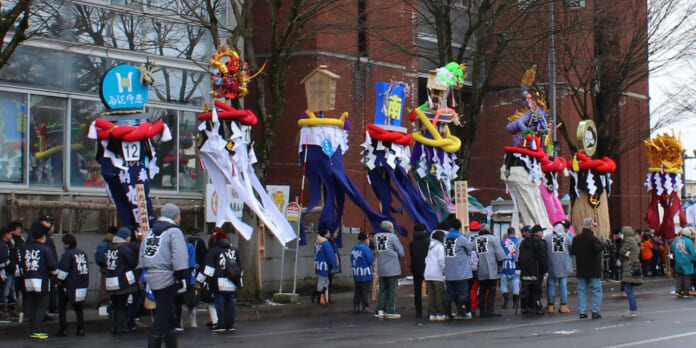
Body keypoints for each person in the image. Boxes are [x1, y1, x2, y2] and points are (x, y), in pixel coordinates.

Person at [139, 203, 189, 348]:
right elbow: (179, 255)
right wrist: (181, 276)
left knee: (169, 314)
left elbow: (142, 253)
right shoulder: (174, 232)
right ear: (175, 216)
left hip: (151, 275)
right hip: (167, 276)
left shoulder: (151, 232)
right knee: (163, 315)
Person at [198, 229, 241, 333]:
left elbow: (209, 268)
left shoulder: (215, 251)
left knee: (220, 303)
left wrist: (200, 279)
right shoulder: (234, 250)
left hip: (219, 282)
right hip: (232, 281)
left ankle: (221, 324)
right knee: (230, 302)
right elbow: (239, 267)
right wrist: (239, 282)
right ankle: (230, 324)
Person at [21, 220, 58, 339]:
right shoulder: (45, 249)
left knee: (31, 305)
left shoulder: (25, 248)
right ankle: (36, 330)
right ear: (43, 237)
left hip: (27, 279)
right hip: (42, 279)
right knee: (42, 306)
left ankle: (32, 329)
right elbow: (52, 265)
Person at [105, 227, 139, 334]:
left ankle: (113, 327)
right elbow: (133, 262)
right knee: (121, 304)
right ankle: (120, 327)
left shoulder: (110, 247)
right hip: (122, 280)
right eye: (129, 237)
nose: (129, 239)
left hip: (111, 279)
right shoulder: (124, 249)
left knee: (114, 304)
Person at [55, 234, 89, 336]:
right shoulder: (82, 253)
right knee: (78, 307)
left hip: (69, 284)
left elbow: (63, 271)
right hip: (81, 283)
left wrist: (58, 281)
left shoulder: (67, 254)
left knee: (62, 307)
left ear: (67, 244)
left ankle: (63, 329)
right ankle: (81, 328)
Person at [570, 217, 604, 319]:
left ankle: (582, 312)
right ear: (590, 227)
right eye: (593, 226)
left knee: (582, 290)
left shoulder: (576, 239)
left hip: (581, 269)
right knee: (597, 290)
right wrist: (602, 244)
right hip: (593, 269)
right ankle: (595, 311)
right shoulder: (593, 239)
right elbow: (597, 249)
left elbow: (573, 251)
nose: (594, 227)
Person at [374, 220, 405, 319]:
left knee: (382, 289)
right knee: (392, 289)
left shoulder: (376, 237)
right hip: (392, 267)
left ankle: (381, 309)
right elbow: (401, 251)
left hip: (381, 266)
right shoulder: (393, 237)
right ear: (390, 228)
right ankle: (391, 310)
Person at [444, 219, 474, 319]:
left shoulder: (446, 238)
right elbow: (470, 248)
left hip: (449, 270)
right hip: (460, 270)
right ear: (459, 227)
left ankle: (447, 313)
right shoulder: (460, 238)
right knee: (462, 292)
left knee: (449, 293)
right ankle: (461, 313)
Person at [475, 223, 506, 317]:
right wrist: (500, 264)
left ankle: (482, 310)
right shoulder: (492, 238)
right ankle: (490, 310)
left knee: (482, 290)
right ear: (489, 230)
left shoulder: (476, 239)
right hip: (491, 268)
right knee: (492, 290)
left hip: (480, 268)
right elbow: (499, 253)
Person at [518, 225, 548, 315]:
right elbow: (543, 257)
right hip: (536, 269)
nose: (542, 233)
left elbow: (520, 256)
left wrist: (521, 266)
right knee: (536, 289)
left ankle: (525, 306)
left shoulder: (524, 242)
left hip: (526, 269)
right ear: (537, 233)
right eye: (541, 231)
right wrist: (545, 269)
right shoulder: (540, 243)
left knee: (526, 288)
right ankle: (536, 306)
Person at [545, 221, 573, 314]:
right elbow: (571, 248)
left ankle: (550, 306)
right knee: (563, 286)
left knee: (551, 286)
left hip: (552, 266)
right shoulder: (567, 238)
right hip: (564, 266)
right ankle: (563, 305)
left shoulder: (547, 238)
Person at [618, 226, 642, 317]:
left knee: (628, 289)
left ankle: (633, 309)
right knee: (629, 288)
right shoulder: (633, 240)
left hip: (629, 267)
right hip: (633, 266)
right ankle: (633, 309)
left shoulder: (628, 241)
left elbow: (622, 251)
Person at [424, 229, 446, 321]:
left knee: (431, 295)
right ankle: (440, 313)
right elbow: (442, 260)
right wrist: (444, 271)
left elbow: (426, 260)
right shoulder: (440, 247)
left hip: (428, 273)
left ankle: (432, 313)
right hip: (437, 274)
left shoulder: (430, 247)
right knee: (439, 295)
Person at [409, 223, 429, 318]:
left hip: (416, 267)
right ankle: (431, 309)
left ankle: (419, 311)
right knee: (430, 289)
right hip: (427, 267)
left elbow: (412, 255)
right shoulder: (428, 241)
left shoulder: (412, 243)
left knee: (417, 290)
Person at [351, 232, 374, 313]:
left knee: (357, 290)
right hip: (365, 273)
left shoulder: (354, 248)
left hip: (356, 272)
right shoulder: (366, 248)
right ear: (365, 240)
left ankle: (356, 306)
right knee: (365, 290)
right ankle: (365, 306)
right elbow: (370, 260)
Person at [313, 228, 336, 306]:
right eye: (328, 233)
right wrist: (332, 263)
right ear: (325, 235)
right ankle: (320, 297)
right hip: (325, 265)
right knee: (323, 281)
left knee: (325, 281)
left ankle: (323, 298)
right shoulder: (326, 243)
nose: (329, 234)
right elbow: (330, 255)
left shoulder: (317, 243)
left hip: (318, 264)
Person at [672, 226, 696, 298]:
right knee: (687, 277)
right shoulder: (689, 241)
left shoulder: (676, 240)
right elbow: (692, 252)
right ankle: (686, 292)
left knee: (679, 276)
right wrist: (693, 259)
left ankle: (678, 291)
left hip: (678, 261)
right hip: (686, 261)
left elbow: (674, 251)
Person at [500, 227, 520, 310]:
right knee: (516, 285)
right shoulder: (518, 241)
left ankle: (505, 301)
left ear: (507, 233)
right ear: (514, 233)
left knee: (504, 285)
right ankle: (515, 303)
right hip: (515, 267)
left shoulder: (502, 242)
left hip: (505, 266)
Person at [464, 221, 480, 315]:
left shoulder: (466, 236)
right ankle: (483, 305)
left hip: (468, 263)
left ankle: (472, 305)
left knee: (472, 287)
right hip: (480, 262)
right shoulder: (480, 236)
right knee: (480, 285)